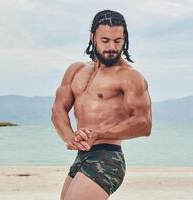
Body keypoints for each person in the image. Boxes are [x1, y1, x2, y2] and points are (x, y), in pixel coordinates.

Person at [51, 9, 152, 200]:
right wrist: (70, 137)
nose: (112, 47)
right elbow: (58, 109)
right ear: (92, 38)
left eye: (118, 40)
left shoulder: (130, 77)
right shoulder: (76, 70)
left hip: (108, 158)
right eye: (105, 40)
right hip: (82, 156)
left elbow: (144, 124)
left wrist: (99, 133)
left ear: (125, 39)